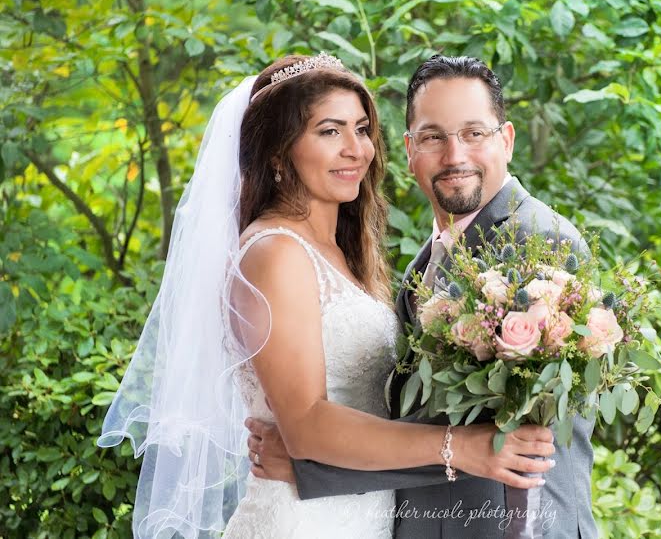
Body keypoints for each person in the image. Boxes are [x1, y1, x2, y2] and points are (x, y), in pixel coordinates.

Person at [98, 53, 556, 539]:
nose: (355, 150)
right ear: (278, 153)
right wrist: (457, 446)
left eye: (361, 129)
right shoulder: (276, 253)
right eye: (329, 131)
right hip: (304, 521)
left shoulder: (341, 254)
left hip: (361, 512)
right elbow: (308, 425)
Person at [248, 55, 598, 539]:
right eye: (434, 137)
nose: (455, 155)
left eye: (474, 133)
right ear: (410, 149)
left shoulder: (537, 244)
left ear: (508, 140)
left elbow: (509, 445)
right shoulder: (421, 265)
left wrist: (316, 469)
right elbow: (428, 423)